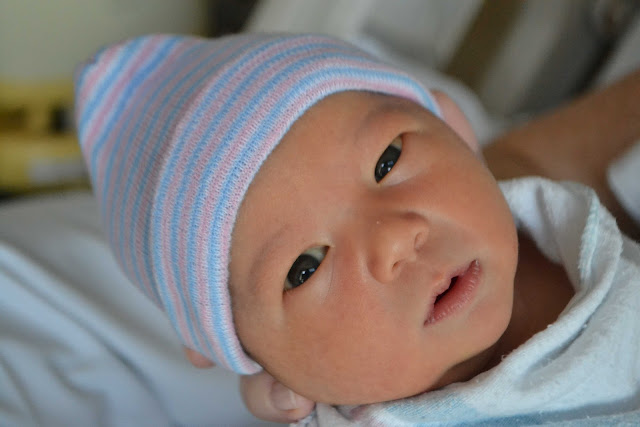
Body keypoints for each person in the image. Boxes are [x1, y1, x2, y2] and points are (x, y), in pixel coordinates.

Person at [74, 33, 640, 425]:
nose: (392, 238)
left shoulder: (559, 222)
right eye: (306, 266)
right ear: (261, 361)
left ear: (455, 128)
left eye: (388, 161)